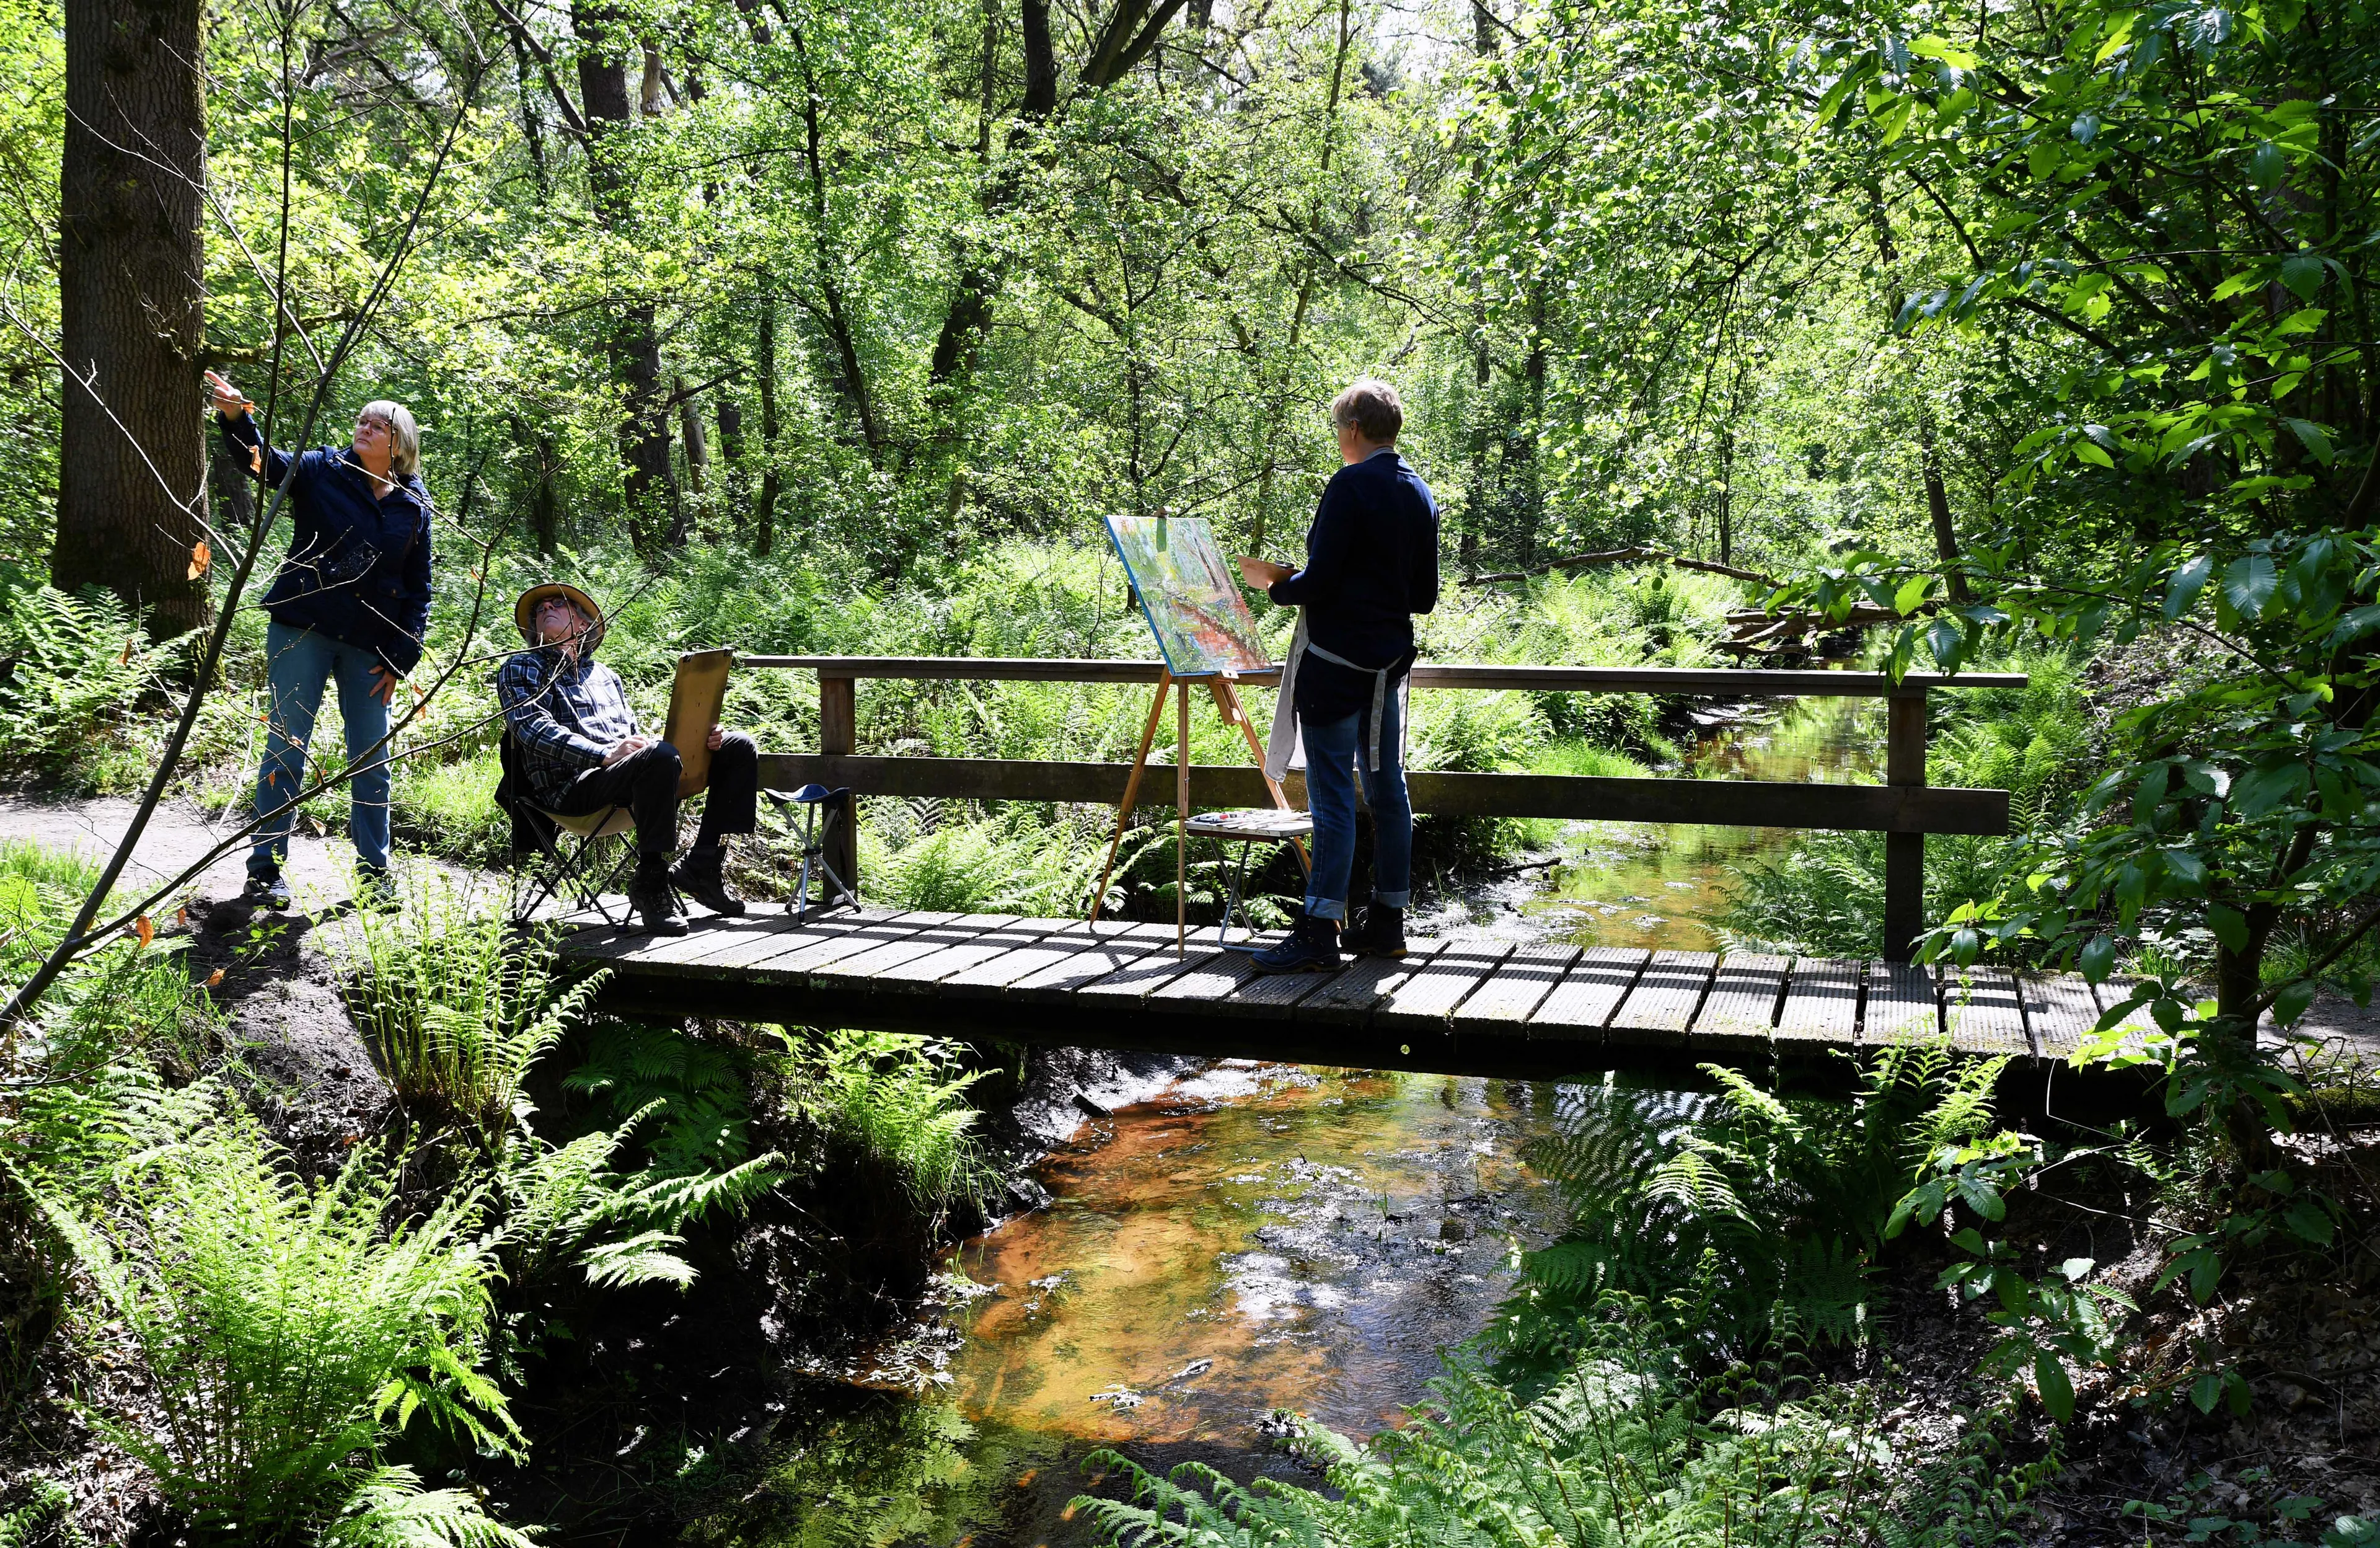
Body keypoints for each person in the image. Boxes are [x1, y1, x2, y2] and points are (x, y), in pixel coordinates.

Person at [207, 370, 433, 911]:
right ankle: (265, 872)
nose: (365, 428)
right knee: (287, 745)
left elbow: (418, 590)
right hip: (302, 627)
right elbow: (263, 462)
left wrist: (402, 656)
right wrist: (238, 418)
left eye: (378, 424)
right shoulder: (322, 469)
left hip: (370, 647)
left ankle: (376, 877)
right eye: (361, 420)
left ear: (398, 443)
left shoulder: (416, 505)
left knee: (372, 759)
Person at [1239, 378, 1439, 973]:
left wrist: (1277, 585)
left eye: (1337, 428)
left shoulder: (1350, 484)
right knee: (1387, 789)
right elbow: (1423, 597)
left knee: (1330, 796)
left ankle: (1320, 934)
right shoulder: (1420, 492)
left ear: (1354, 429)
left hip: (1333, 668)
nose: (1337, 439)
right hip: (1385, 668)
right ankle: (1387, 925)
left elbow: (1321, 582)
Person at [495, 582, 759, 935]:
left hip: (626, 784)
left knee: (737, 746)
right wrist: (604, 755)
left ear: (584, 624)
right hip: (571, 788)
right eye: (539, 609)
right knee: (658, 756)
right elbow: (531, 728)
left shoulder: (606, 676)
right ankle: (651, 882)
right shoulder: (523, 666)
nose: (545, 609)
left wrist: (700, 740)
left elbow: (634, 737)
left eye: (558, 604)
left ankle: (702, 866)